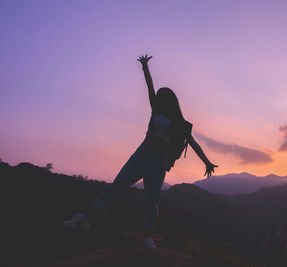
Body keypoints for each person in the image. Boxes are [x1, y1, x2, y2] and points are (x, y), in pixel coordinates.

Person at [63, 54, 218, 249]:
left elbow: (193, 143)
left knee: (152, 198)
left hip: (159, 158)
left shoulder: (178, 122)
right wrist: (145, 67)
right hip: (142, 152)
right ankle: (85, 218)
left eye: (164, 96)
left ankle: (148, 236)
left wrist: (207, 162)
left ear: (171, 100)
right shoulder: (155, 110)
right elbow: (149, 87)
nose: (160, 97)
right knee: (116, 186)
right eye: (159, 96)